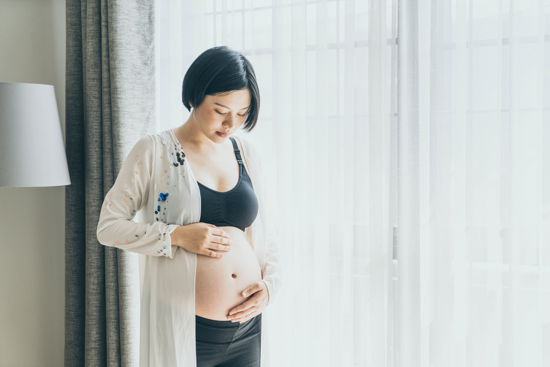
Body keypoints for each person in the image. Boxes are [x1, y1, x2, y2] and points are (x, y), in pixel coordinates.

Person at [96, 46, 282, 367]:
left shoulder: (245, 153)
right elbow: (109, 228)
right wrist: (177, 236)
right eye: (221, 110)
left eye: (242, 113)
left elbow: (267, 234)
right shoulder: (155, 152)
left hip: (248, 329)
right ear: (195, 96)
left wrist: (270, 286)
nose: (230, 123)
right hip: (190, 330)